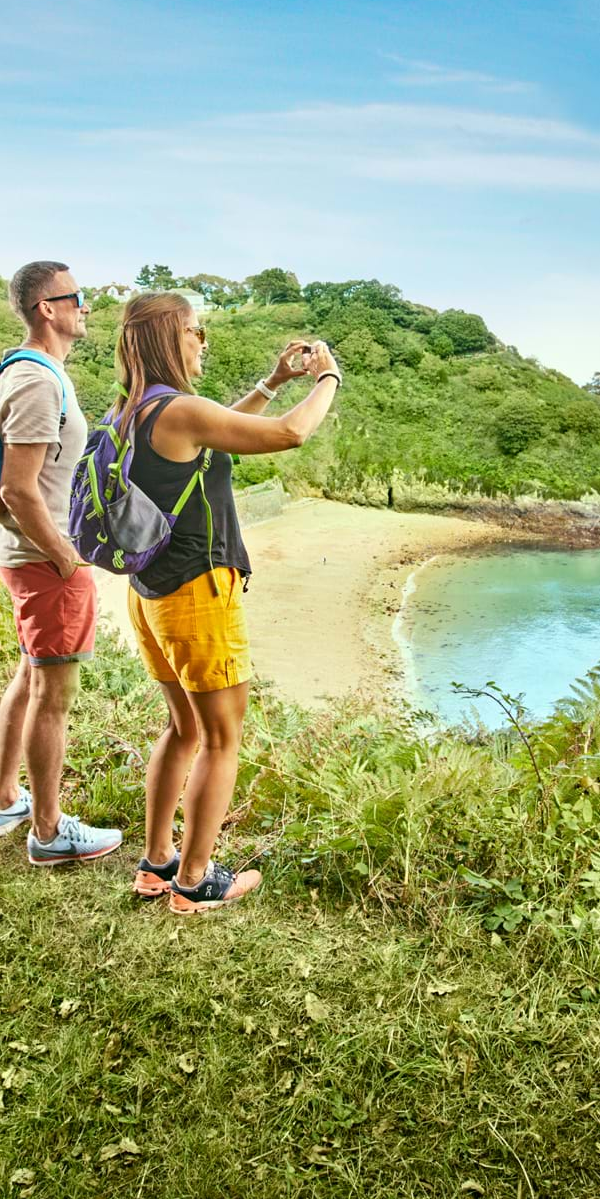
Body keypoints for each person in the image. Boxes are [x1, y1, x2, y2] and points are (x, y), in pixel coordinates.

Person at [109, 293, 344, 914]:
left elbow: (218, 436)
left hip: (151, 592)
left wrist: (271, 381)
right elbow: (291, 434)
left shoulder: (136, 409)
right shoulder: (179, 409)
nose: (203, 341)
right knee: (221, 737)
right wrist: (327, 376)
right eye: (196, 331)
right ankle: (194, 880)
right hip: (196, 592)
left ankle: (157, 864)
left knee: (182, 728)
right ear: (169, 339)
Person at [0, 260, 125, 867]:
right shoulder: (37, 380)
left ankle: (4, 800)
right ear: (48, 308)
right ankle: (48, 831)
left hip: (25, 555)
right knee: (53, 694)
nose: (85, 306)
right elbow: (18, 488)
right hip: (44, 559)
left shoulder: (37, 373)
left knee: (32, 675)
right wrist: (67, 558)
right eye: (76, 297)